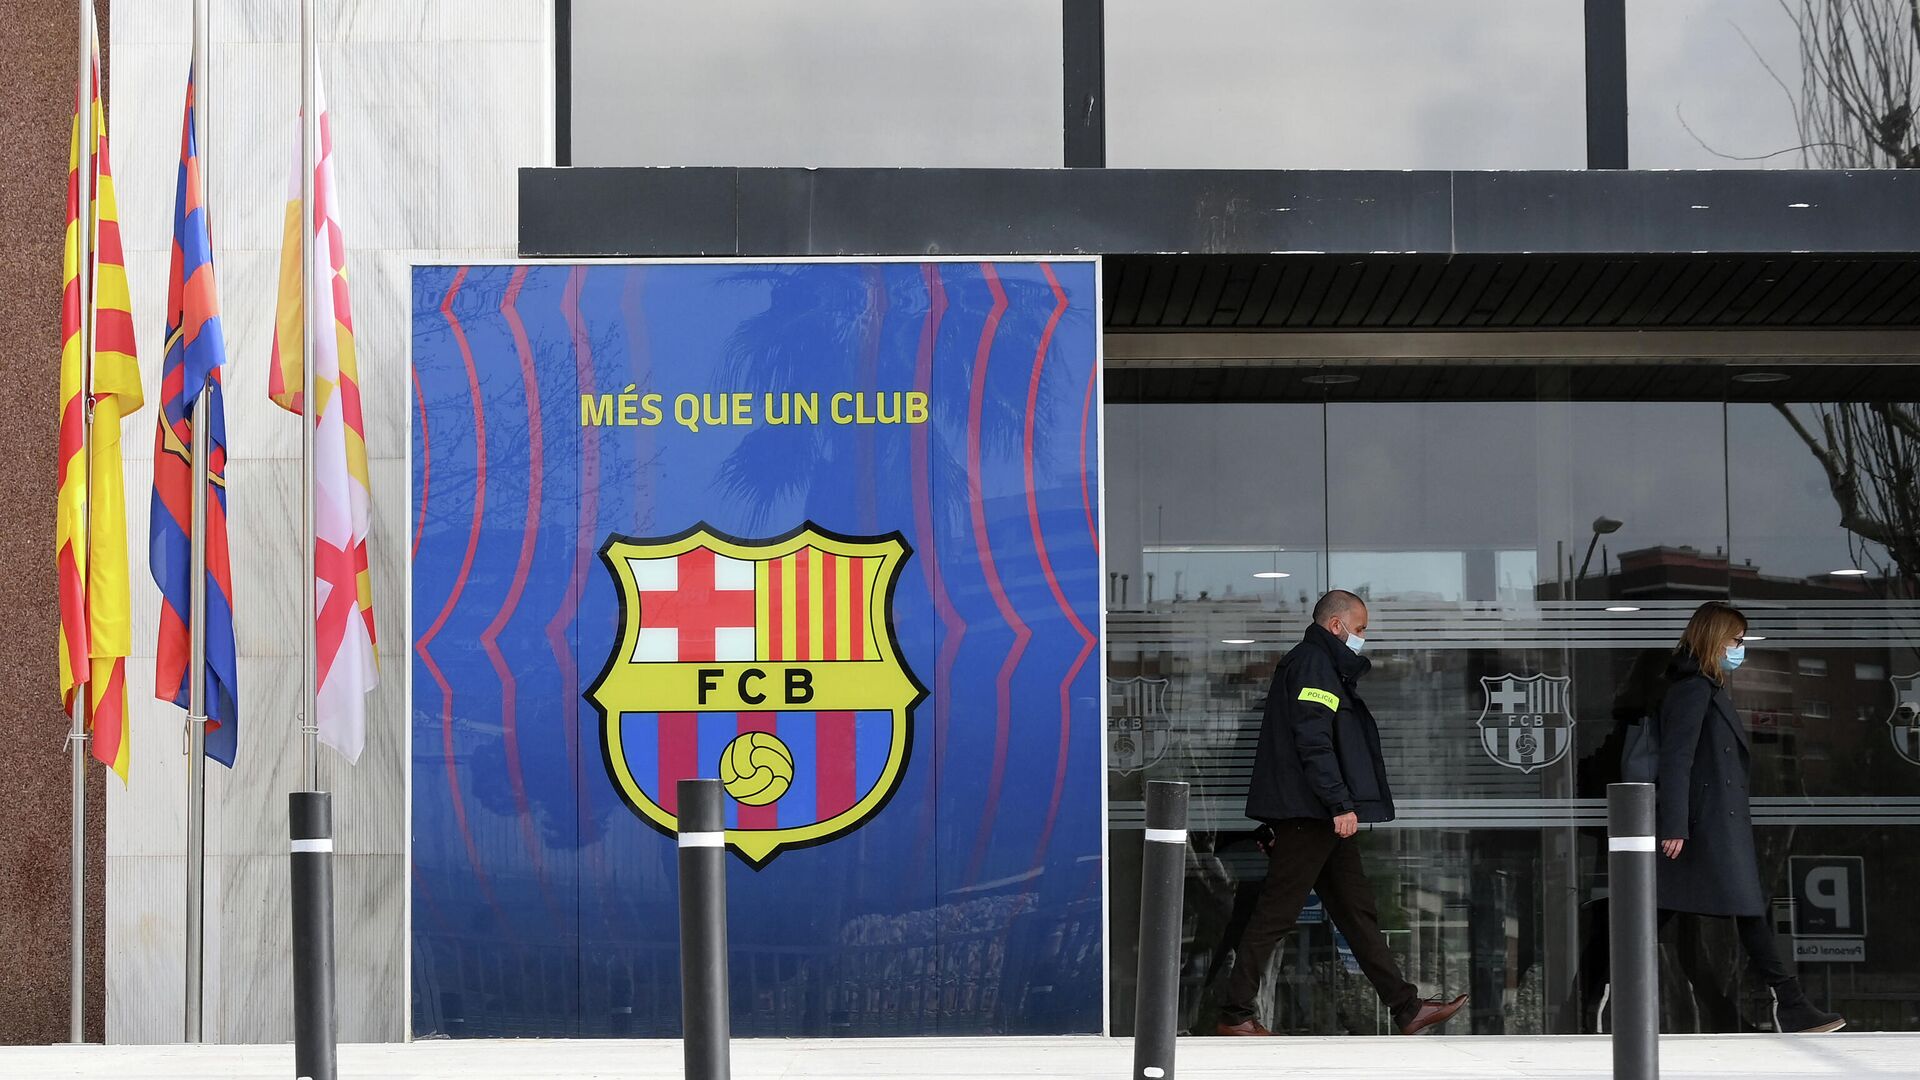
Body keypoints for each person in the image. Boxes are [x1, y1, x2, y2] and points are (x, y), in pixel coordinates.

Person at [1215, 590, 1468, 1037]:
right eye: (1362, 628)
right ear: (1337, 626)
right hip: (1309, 815)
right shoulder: (1314, 664)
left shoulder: (1324, 665)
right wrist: (1339, 803)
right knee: (1276, 913)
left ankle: (1407, 1008)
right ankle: (1234, 1014)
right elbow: (1314, 741)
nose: (1364, 638)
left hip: (1318, 815)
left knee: (1356, 911)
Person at [1653, 601, 1846, 1034]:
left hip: (1714, 822)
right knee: (1741, 910)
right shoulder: (1692, 689)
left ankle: (1593, 990)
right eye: (1735, 641)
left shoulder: (1706, 686)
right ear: (1713, 639)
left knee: (1670, 911)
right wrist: (1675, 826)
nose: (1740, 649)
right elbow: (1676, 759)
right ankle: (1790, 1003)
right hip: (1705, 826)